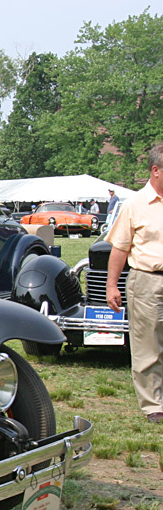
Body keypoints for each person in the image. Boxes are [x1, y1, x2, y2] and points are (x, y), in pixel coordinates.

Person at [105, 142, 163, 424]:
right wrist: (111, 286)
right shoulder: (135, 205)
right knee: (147, 344)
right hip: (147, 281)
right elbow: (119, 248)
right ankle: (153, 405)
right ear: (155, 171)